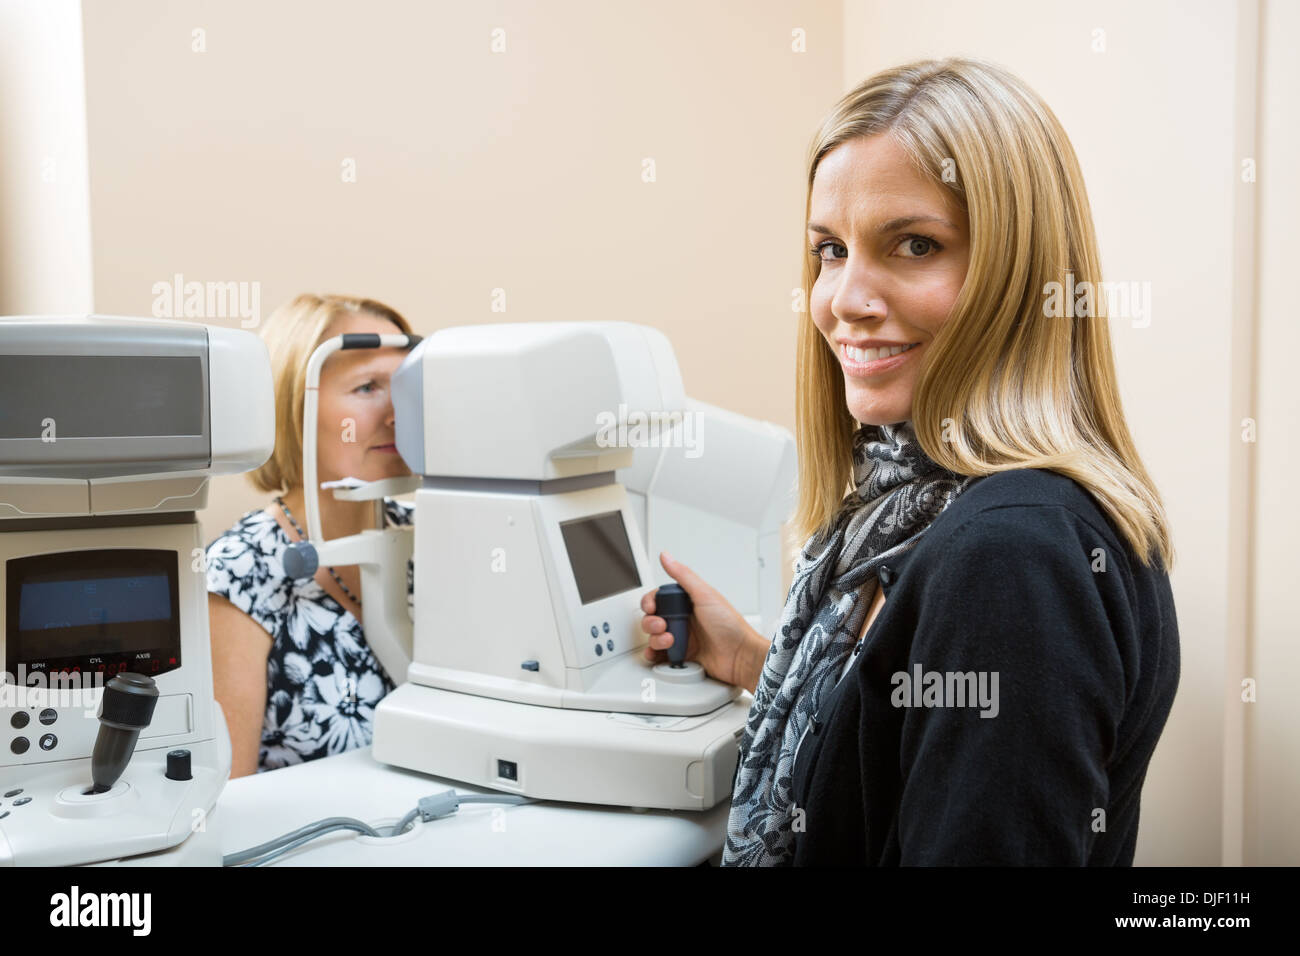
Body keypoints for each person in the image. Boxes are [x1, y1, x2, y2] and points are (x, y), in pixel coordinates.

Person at [639, 57, 1180, 866]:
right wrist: (754, 660)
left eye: (914, 244)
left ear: (1019, 272)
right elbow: (901, 741)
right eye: (830, 250)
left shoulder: (1009, 557)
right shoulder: (924, 510)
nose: (844, 300)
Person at [205, 293, 418, 777]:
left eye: (405, 388)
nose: (395, 414)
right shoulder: (238, 572)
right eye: (367, 387)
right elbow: (229, 800)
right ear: (291, 408)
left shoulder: (436, 540)